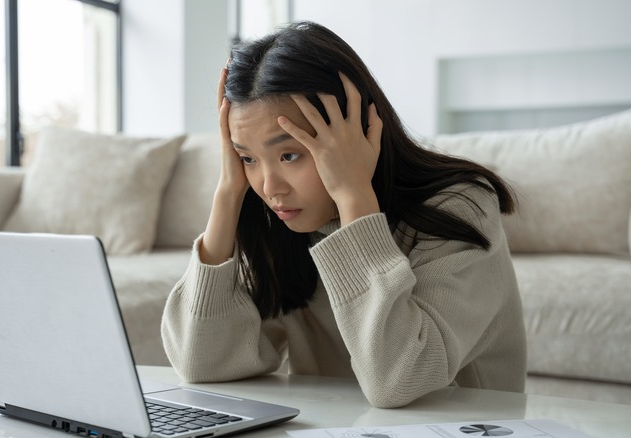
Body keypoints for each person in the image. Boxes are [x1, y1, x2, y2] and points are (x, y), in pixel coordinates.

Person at [160, 21, 526, 408]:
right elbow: (200, 364)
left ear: (358, 130)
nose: (270, 187)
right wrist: (227, 193)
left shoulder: (456, 206)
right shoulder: (284, 220)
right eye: (248, 158)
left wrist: (353, 195)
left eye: (289, 155)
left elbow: (398, 380)